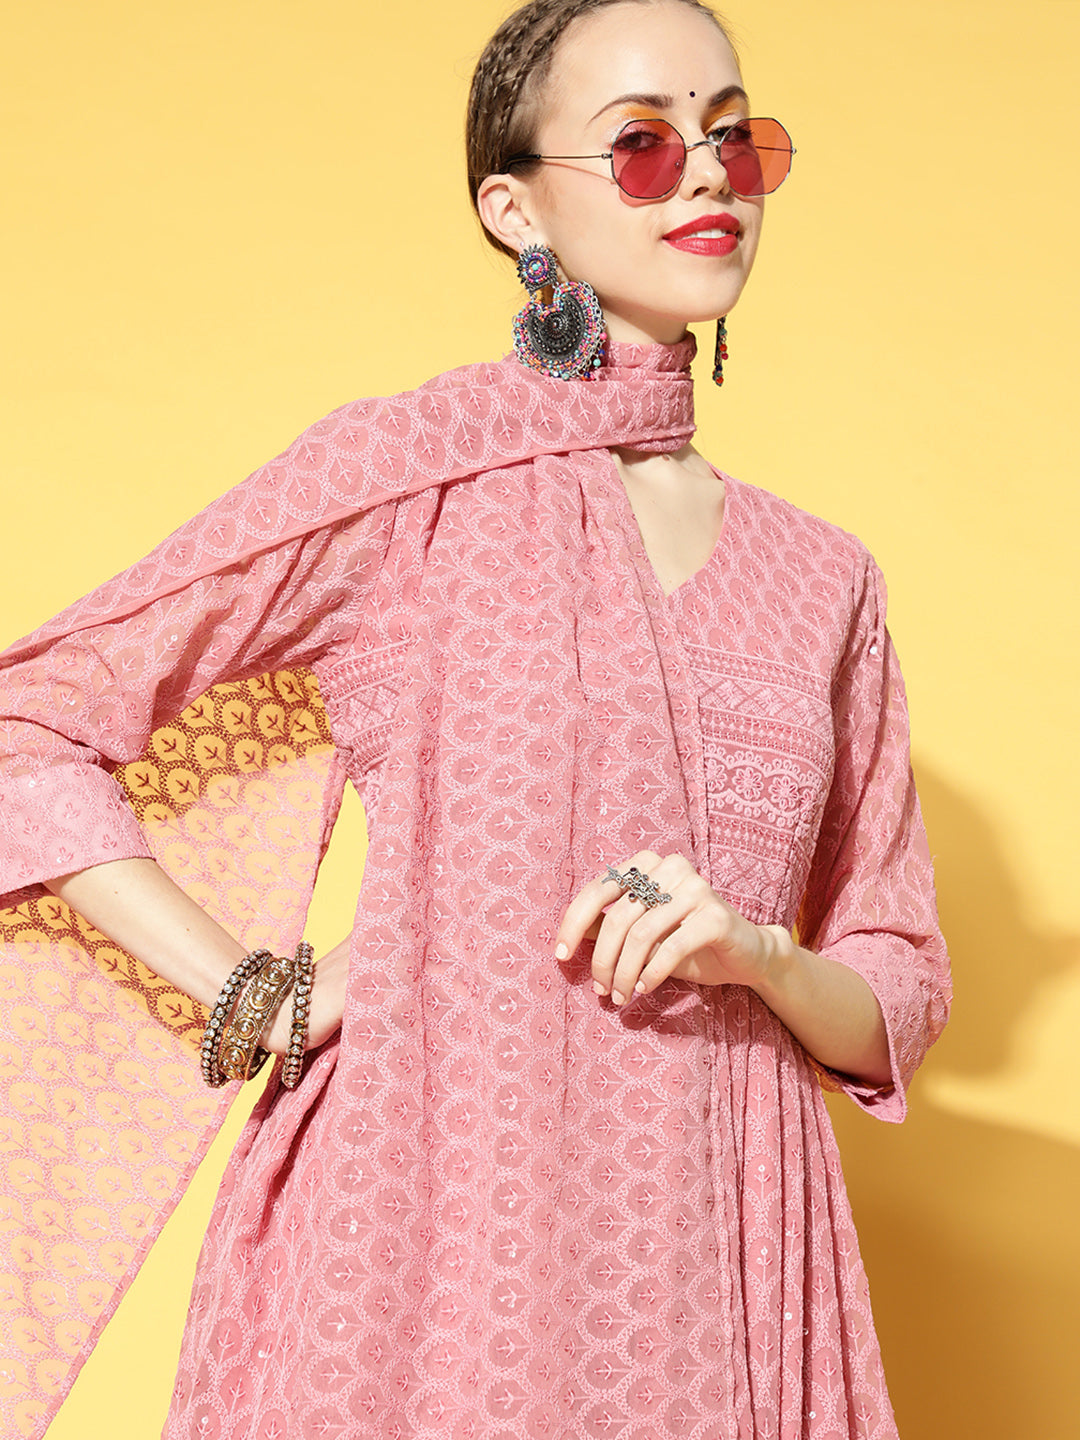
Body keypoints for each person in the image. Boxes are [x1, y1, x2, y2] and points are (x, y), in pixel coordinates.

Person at [0, 0, 950, 1436]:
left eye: (734, 137)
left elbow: (899, 985)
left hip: (727, 1247)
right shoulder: (411, 480)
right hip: (432, 1236)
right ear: (515, 210)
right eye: (640, 144)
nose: (707, 173)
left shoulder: (826, 579)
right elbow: (32, 721)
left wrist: (758, 953)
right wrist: (254, 988)